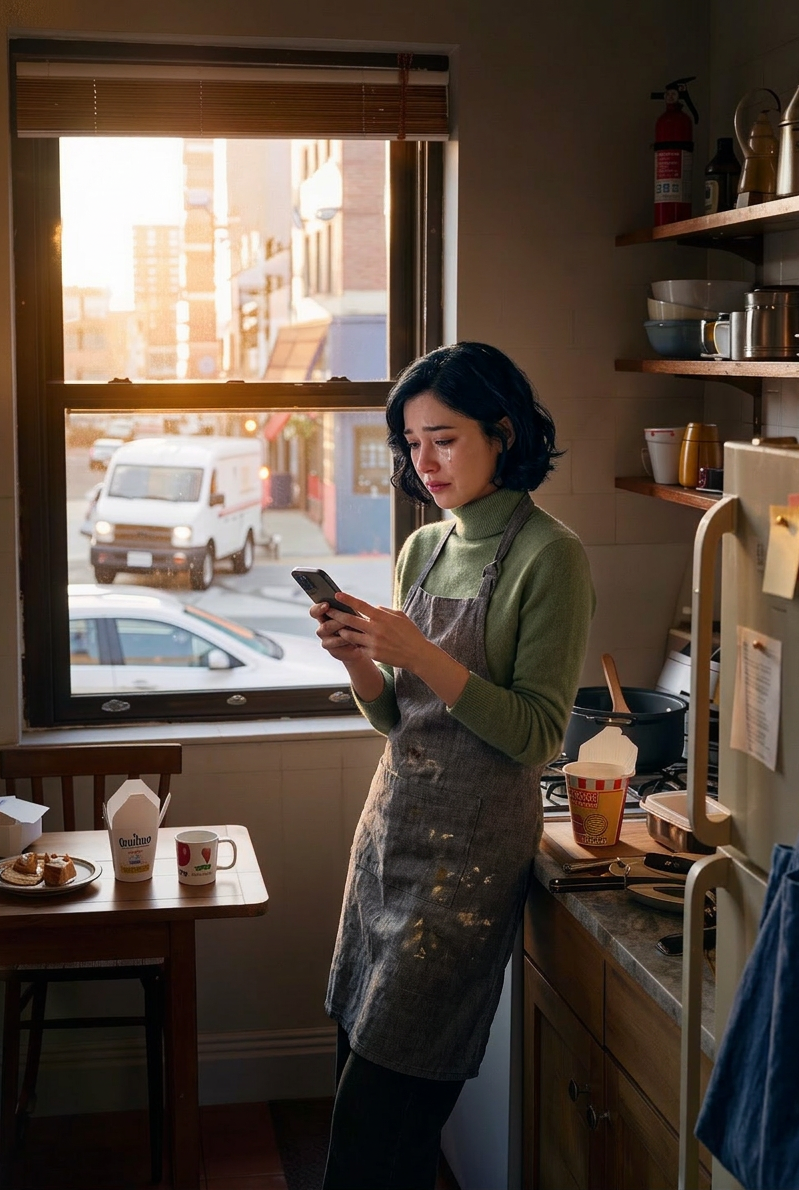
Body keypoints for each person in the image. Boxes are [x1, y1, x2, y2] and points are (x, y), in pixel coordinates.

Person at [310, 341, 595, 1190]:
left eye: (444, 439)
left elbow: (538, 734)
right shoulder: (424, 546)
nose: (424, 462)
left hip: (464, 875)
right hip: (386, 844)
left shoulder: (552, 556)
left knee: (378, 1135)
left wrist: (420, 653)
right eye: (411, 443)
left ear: (503, 434)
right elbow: (400, 721)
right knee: (355, 1086)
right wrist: (361, 662)